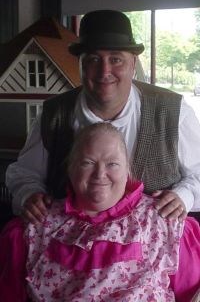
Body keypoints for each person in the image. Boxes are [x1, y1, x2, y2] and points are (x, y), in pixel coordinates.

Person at [6, 9, 200, 224]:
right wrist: (29, 194)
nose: (104, 71)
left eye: (116, 59)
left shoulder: (175, 111)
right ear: (79, 65)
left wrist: (185, 195)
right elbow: (24, 173)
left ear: (133, 65)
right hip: (73, 250)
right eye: (93, 60)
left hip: (155, 252)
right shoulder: (53, 115)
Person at [0, 123, 200, 301]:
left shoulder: (164, 222)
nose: (99, 174)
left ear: (127, 170)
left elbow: (190, 294)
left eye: (112, 164)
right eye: (87, 163)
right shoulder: (35, 226)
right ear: (70, 169)